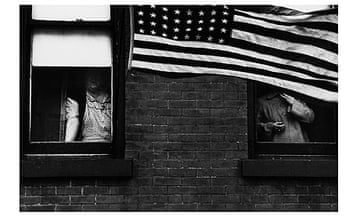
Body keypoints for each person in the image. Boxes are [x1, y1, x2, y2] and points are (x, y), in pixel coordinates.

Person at [64, 71, 111, 142]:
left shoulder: (111, 100)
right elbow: (72, 123)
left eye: (97, 74)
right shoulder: (78, 100)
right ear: (84, 78)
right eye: (90, 74)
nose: (93, 78)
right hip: (86, 148)